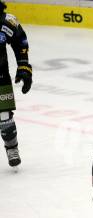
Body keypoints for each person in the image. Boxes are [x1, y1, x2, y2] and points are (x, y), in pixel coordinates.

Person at [0, 0, 32, 167]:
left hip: (0, 77)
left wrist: (24, 67)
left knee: (4, 117)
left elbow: (20, 42)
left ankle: (12, 148)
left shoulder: (5, 21)